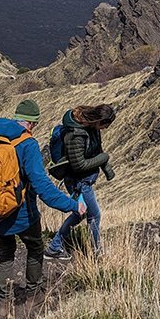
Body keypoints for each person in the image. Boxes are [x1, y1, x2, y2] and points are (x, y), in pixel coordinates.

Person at [0, 99, 85, 317]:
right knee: (35, 247)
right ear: (32, 124)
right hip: (23, 212)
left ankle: (3, 304)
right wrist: (72, 205)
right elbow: (43, 187)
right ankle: (33, 296)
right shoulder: (28, 144)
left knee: (6, 252)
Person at [45, 104, 116, 259]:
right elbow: (79, 165)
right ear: (98, 120)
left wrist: (107, 168)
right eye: (105, 125)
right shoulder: (75, 135)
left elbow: (98, 150)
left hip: (84, 180)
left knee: (80, 213)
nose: (105, 129)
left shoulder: (93, 128)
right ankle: (96, 254)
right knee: (94, 215)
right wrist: (104, 159)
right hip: (78, 181)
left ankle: (54, 247)